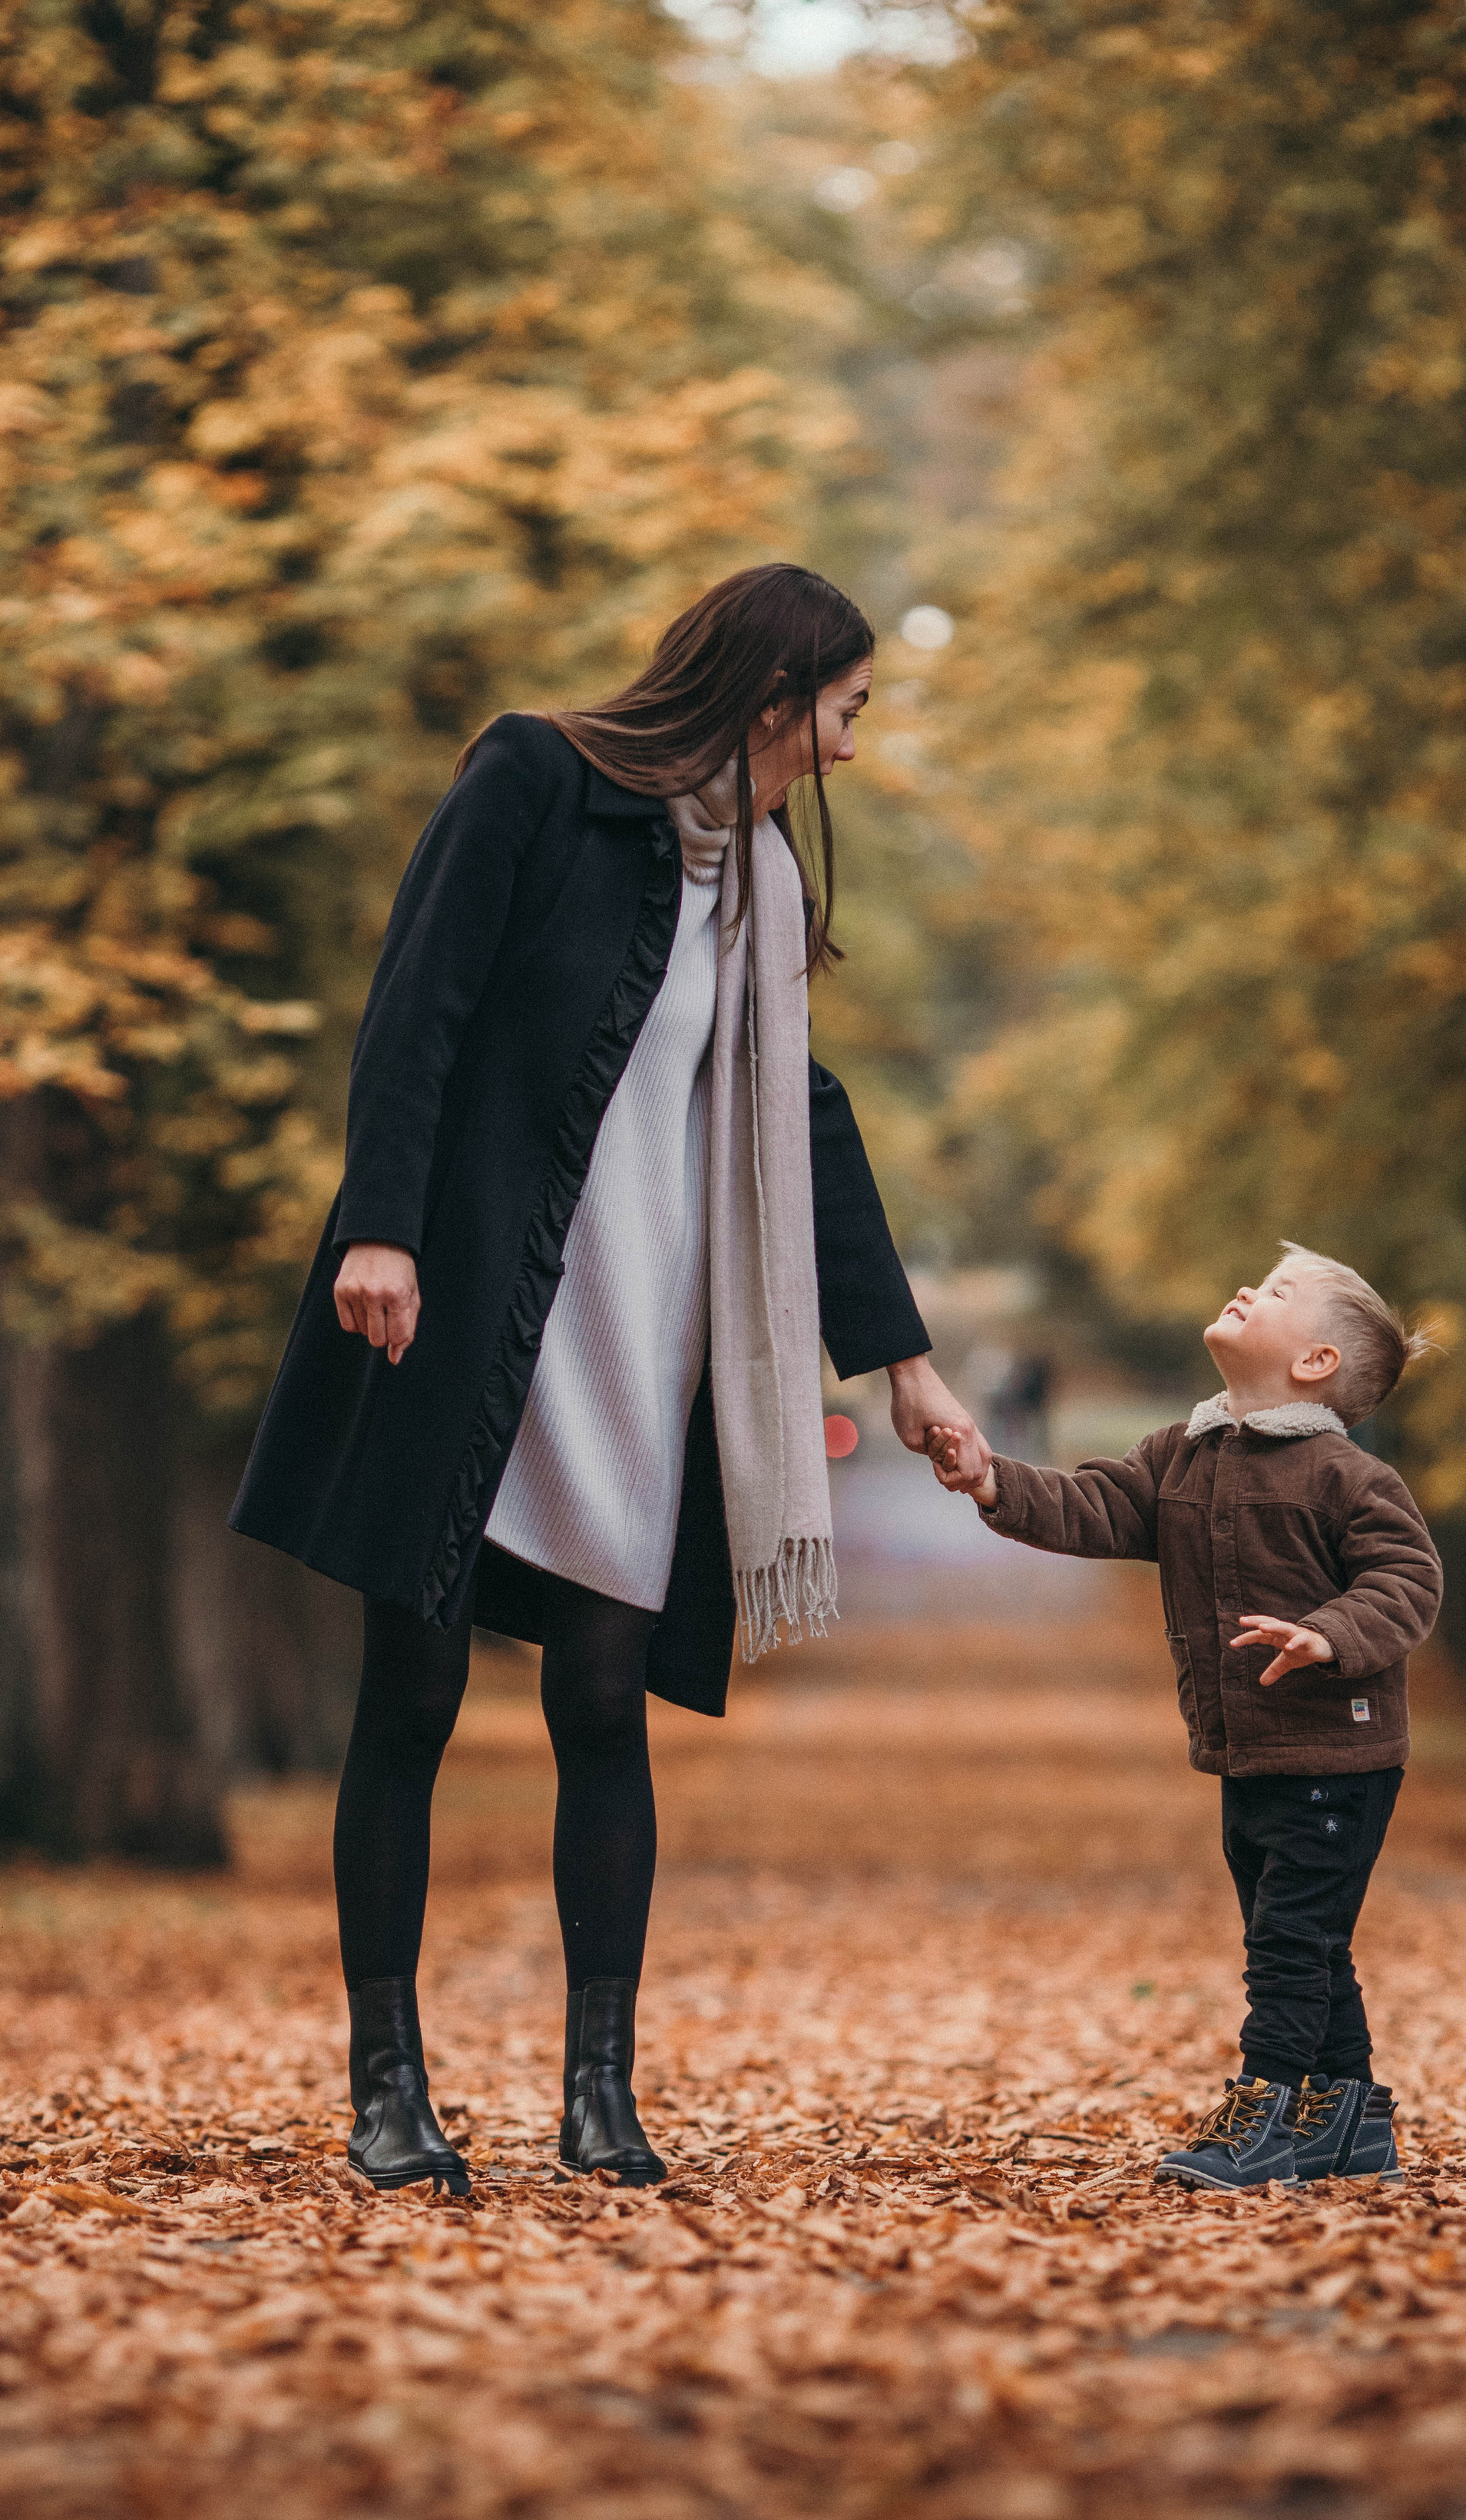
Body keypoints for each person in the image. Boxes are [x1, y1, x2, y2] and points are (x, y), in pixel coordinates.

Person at [232, 565, 976, 2199]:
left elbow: (809, 1118)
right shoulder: (533, 779)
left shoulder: (758, 883)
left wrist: (901, 1364)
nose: (849, 748)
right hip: (458, 1304)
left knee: (599, 1706)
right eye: (847, 708)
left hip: (641, 1345)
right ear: (776, 695)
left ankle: (597, 2097)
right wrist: (379, 1228)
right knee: (411, 1699)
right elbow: (415, 1009)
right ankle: (387, 2093)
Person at [927, 1245, 1441, 2193]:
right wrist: (991, 1478)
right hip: (1247, 1754)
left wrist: (1328, 1635)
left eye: (1279, 1293)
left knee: (1286, 1946)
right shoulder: (1183, 1453)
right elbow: (1093, 1507)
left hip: (1340, 1753)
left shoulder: (1345, 1478)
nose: (1249, 1288)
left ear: (1315, 1364)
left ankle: (1266, 2109)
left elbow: (1408, 1579)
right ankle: (1350, 2119)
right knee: (1305, 1938)